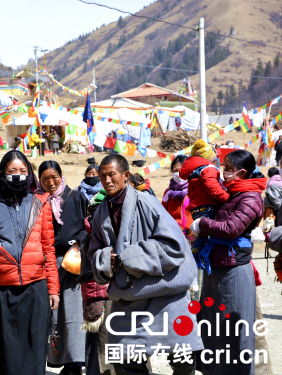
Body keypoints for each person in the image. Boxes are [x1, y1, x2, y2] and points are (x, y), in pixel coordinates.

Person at [87, 154, 203, 375]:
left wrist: (131, 257)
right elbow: (94, 251)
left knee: (184, 359)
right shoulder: (101, 212)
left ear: (125, 175)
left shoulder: (147, 202)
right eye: (103, 176)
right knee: (126, 361)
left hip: (166, 292)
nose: (107, 181)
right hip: (129, 297)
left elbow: (174, 246)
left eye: (112, 174)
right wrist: (105, 259)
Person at [0, 150, 60, 375]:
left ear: (29, 174)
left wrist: (53, 289)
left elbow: (48, 249)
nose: (18, 175)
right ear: (2, 174)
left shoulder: (41, 204)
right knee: (2, 352)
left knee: (34, 350)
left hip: (35, 288)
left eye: (22, 171)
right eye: (12, 171)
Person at [190, 150, 266, 375]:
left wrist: (202, 224)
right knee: (214, 330)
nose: (224, 173)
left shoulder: (250, 197)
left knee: (236, 332)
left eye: (228, 168)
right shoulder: (230, 194)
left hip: (235, 272)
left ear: (242, 173)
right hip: (216, 268)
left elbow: (231, 228)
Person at [39, 161, 90, 375]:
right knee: (55, 312)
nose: (50, 183)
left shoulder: (76, 197)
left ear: (61, 175)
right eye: (45, 179)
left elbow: (88, 225)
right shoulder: (38, 201)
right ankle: (58, 359)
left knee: (74, 311)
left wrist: (77, 243)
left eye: (54, 177)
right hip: (47, 263)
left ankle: (75, 364)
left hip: (73, 261)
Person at [179, 139, 229, 260]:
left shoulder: (194, 172)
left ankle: (197, 254)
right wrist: (227, 198)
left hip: (197, 208)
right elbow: (213, 189)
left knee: (203, 232)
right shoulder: (208, 169)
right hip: (208, 207)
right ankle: (195, 255)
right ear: (211, 158)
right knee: (207, 233)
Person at [162, 155, 193, 234]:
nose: (178, 173)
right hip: (171, 232)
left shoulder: (194, 191)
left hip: (190, 233)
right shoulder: (167, 193)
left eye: (181, 170)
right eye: (175, 171)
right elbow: (163, 215)